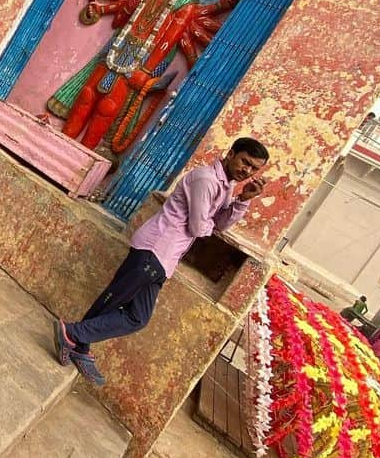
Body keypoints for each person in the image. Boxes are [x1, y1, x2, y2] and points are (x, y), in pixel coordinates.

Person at [53, 137, 271, 385]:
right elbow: (199, 228)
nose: (248, 171)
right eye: (245, 162)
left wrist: (242, 201)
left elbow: (218, 224)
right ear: (231, 153)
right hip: (155, 249)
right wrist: (211, 220)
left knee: (138, 317)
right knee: (113, 300)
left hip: (165, 258)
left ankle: (76, 338)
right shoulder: (206, 180)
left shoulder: (226, 188)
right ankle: (76, 339)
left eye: (254, 168)